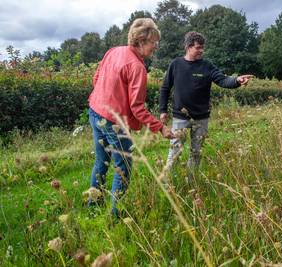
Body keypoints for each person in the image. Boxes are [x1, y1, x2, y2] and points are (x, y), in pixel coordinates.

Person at [88, 18, 173, 216]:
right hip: (114, 122)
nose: (156, 47)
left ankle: (93, 205)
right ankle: (116, 215)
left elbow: (95, 78)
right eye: (154, 42)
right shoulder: (137, 67)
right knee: (123, 166)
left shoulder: (113, 51)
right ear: (141, 41)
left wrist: (105, 96)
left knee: (101, 161)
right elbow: (137, 108)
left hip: (94, 111)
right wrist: (160, 127)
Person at [159, 31, 253, 173]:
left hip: (201, 118)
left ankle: (192, 181)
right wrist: (163, 110)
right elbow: (165, 88)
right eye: (198, 47)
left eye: (203, 47)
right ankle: (167, 182)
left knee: (196, 153)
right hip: (180, 117)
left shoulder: (207, 66)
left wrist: (236, 80)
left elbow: (222, 79)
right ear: (188, 47)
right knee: (174, 152)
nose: (201, 50)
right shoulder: (176, 64)